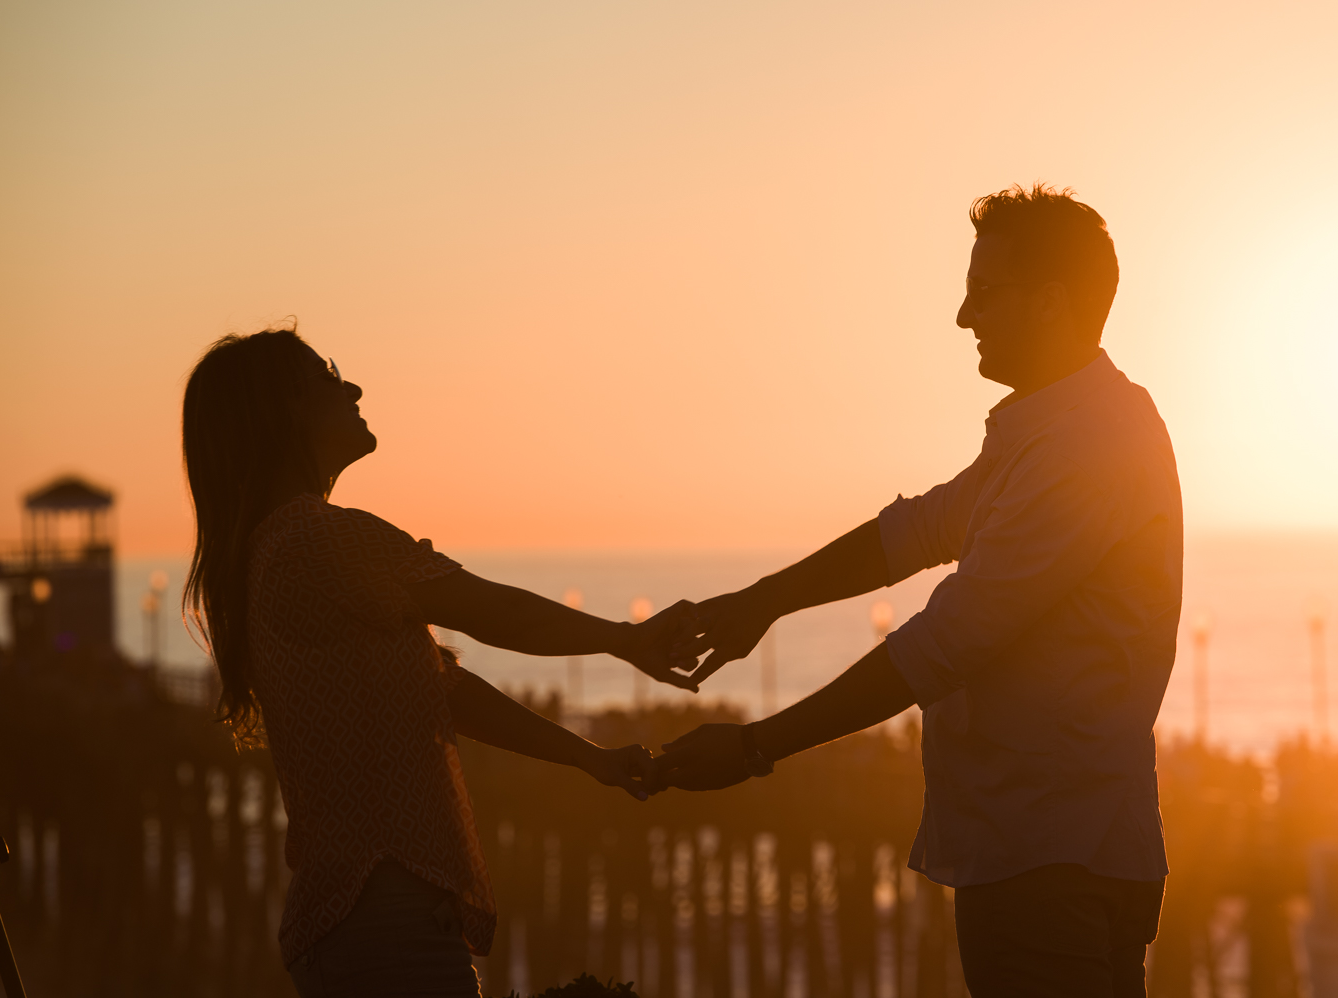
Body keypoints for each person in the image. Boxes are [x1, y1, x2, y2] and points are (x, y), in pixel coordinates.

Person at [657, 184, 1182, 998]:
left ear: (1050, 302)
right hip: (1054, 843)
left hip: (1049, 853)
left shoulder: (1082, 446)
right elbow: (911, 533)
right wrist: (759, 603)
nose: (965, 316)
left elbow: (944, 645)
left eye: (984, 292)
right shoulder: (1054, 429)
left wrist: (757, 749)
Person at [180, 328, 696, 998]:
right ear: (284, 410)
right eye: (328, 375)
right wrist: (627, 640)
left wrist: (587, 757)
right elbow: (493, 612)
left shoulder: (277, 554)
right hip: (383, 923)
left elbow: (444, 691)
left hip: (368, 925)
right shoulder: (318, 540)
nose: (354, 387)